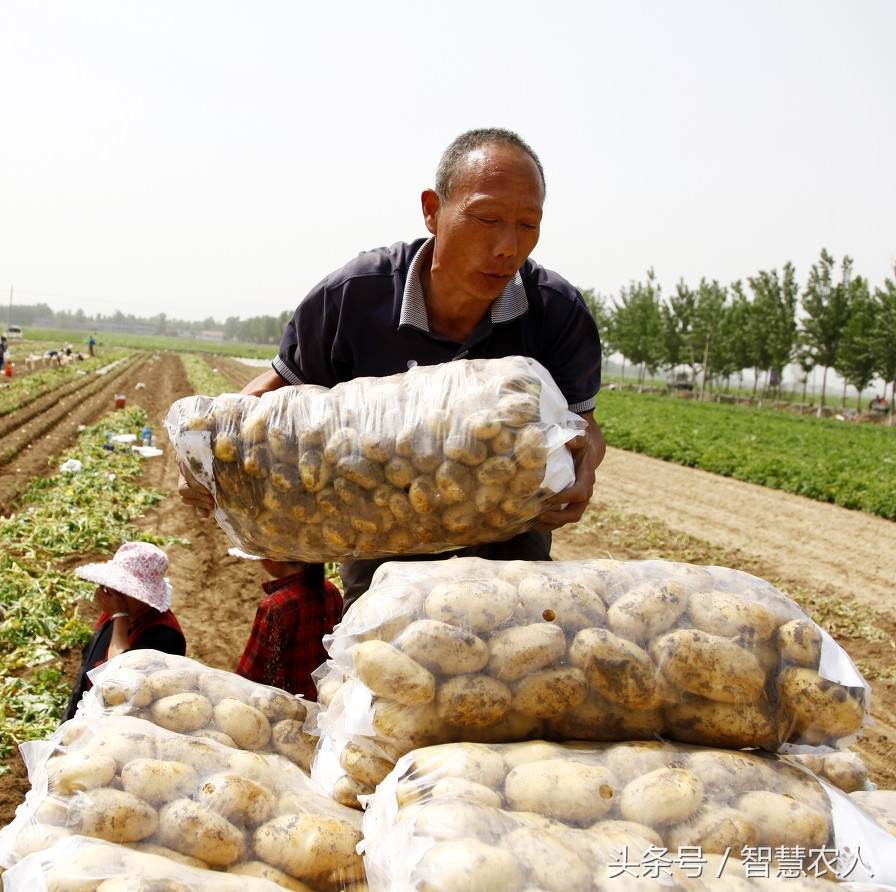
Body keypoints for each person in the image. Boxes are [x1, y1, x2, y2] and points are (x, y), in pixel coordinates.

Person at [179, 128, 606, 608]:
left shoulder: (556, 310)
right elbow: (278, 393)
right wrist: (206, 451)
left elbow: (582, 424)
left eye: (529, 224)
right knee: (383, 665)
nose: (508, 246)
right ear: (432, 210)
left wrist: (585, 463)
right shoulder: (354, 295)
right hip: (382, 545)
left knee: (510, 663)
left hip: (507, 547)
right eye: (487, 218)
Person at [62, 542, 186, 721]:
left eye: (124, 589)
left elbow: (120, 680)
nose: (114, 593)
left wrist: (119, 616)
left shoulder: (164, 636)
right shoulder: (115, 615)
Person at [231, 548, 342, 699]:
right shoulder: (331, 590)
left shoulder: (276, 605)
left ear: (275, 558)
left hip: (286, 709)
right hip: (324, 702)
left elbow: (252, 675)